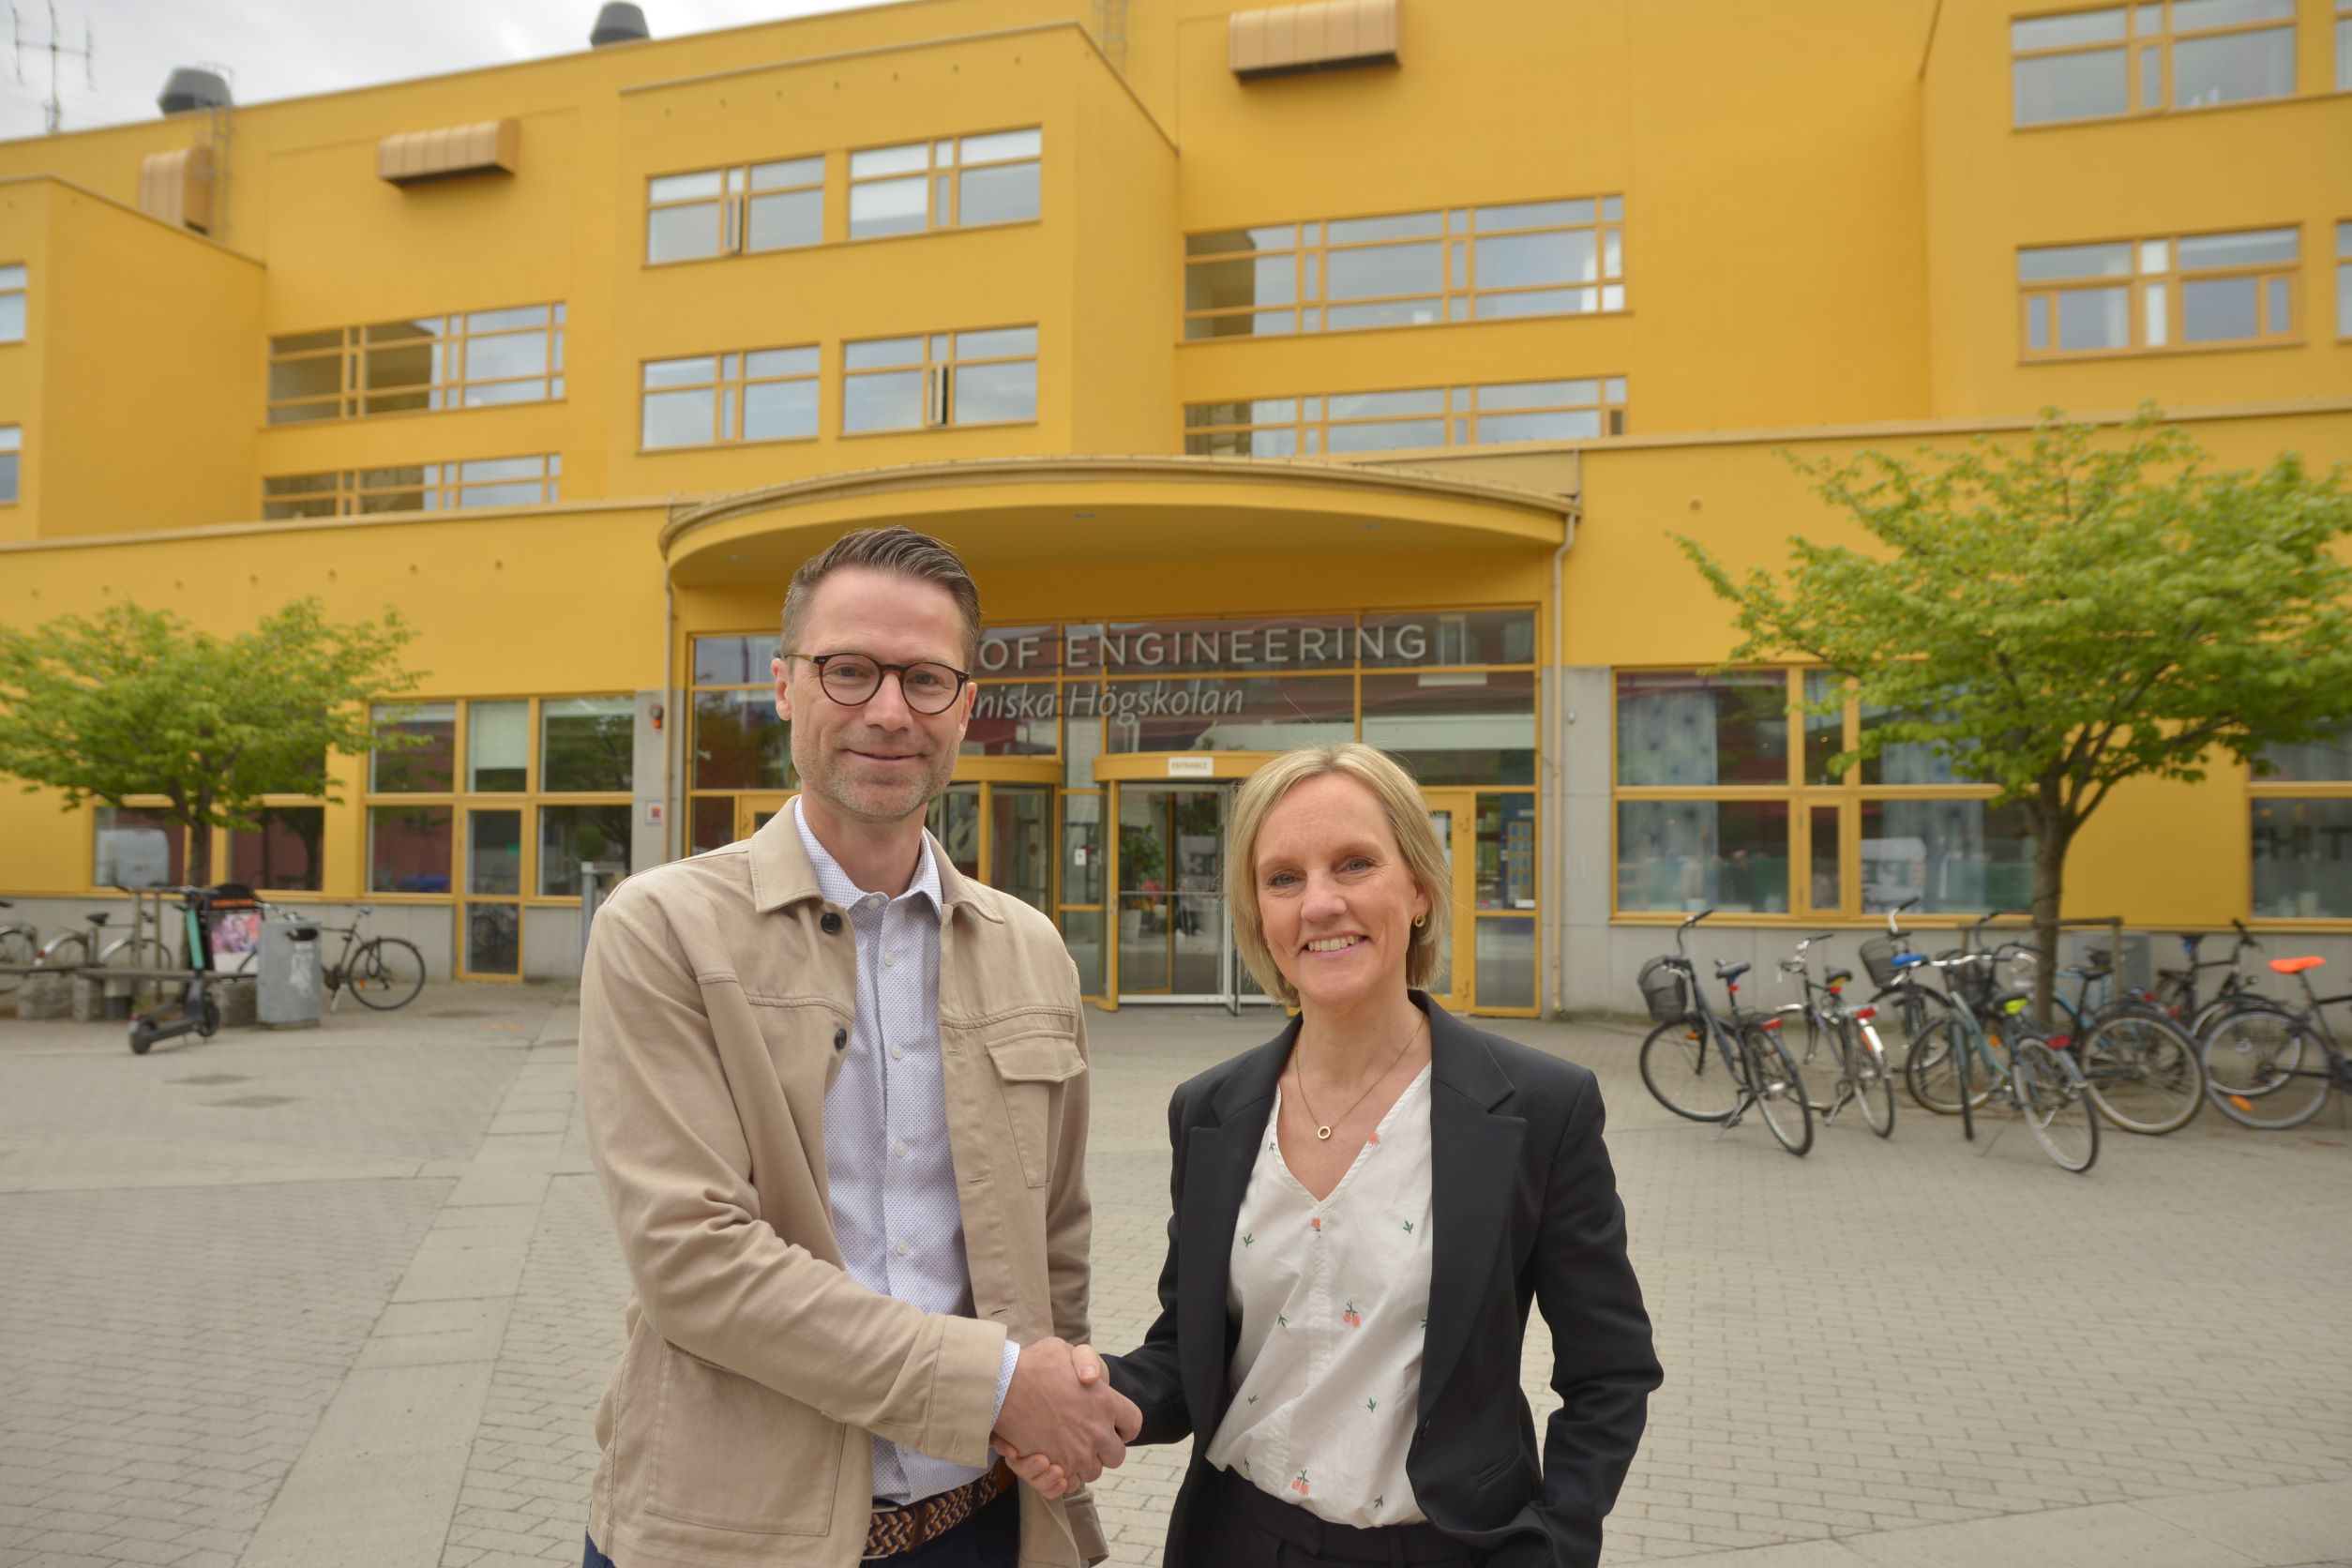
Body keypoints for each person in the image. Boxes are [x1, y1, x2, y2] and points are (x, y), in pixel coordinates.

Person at [578, 525, 1136, 1568]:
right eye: (849, 670)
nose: (888, 710)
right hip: (733, 1540)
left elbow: (1055, 1232)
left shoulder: (1032, 951)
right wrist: (1002, 1385)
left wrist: (1057, 1406)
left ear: (966, 706)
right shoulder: (663, 930)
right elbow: (693, 1264)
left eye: (927, 678)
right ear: (786, 685)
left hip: (981, 1527)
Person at [1004, 743, 1659, 1568]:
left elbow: (1611, 1372)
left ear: (1418, 888)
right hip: (1235, 1541)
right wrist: (1093, 1398)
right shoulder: (1210, 1111)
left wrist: (1555, 1545)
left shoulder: (1536, 1109)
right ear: (1259, 915)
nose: (1320, 904)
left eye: (1354, 864)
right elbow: (1191, 1349)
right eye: (1283, 879)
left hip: (1447, 1548)